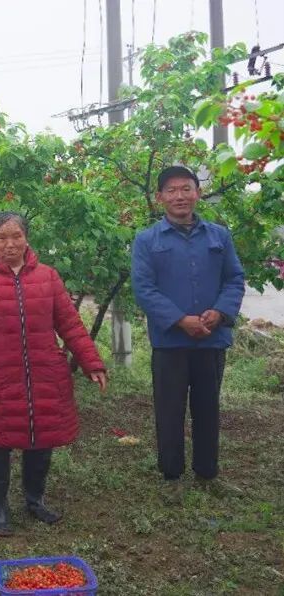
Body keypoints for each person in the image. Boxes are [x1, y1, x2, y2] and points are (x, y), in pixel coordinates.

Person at [0, 212, 107, 537]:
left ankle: (35, 500)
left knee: (41, 440)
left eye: (16, 236)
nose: (10, 244)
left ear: (27, 238)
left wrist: (92, 363)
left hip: (44, 375)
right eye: (2, 237)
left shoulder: (48, 277)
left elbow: (70, 324)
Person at [131, 165, 245, 499]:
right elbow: (144, 288)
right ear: (160, 197)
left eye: (186, 189)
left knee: (208, 407)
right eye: (172, 190)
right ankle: (171, 478)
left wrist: (220, 312)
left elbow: (234, 278)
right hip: (170, 342)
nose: (179, 196)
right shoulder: (147, 240)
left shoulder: (219, 237)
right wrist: (181, 319)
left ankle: (208, 474)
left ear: (197, 192)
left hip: (212, 339)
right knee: (169, 408)